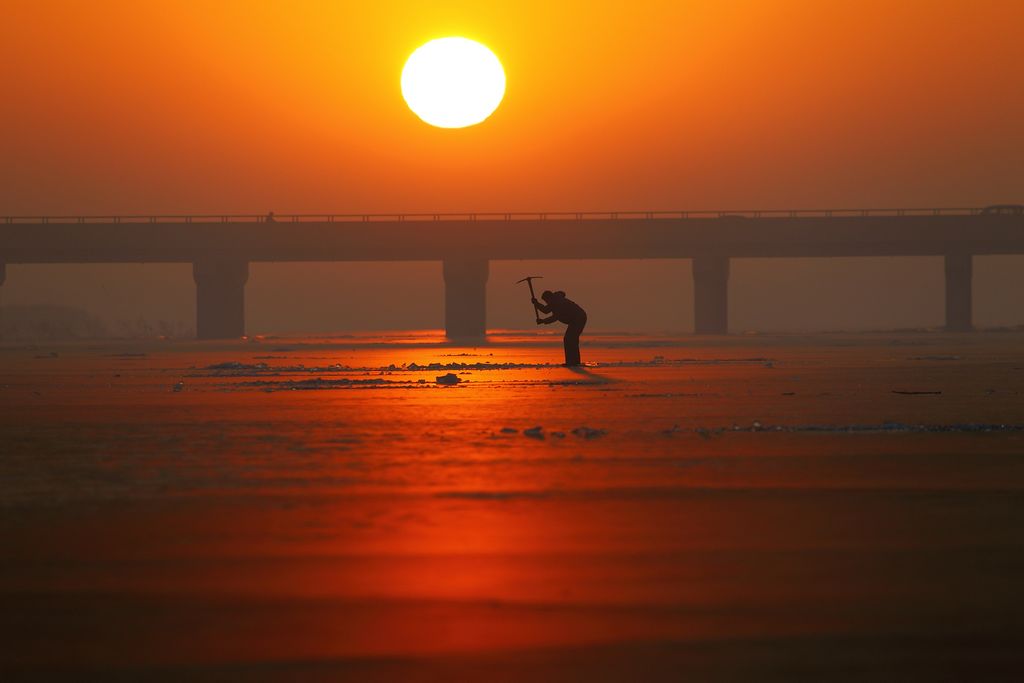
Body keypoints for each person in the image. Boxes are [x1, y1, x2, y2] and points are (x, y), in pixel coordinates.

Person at [532, 290, 588, 366]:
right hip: (575, 320)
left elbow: (555, 317)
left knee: (570, 339)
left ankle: (573, 362)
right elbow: (546, 310)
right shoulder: (555, 301)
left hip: (578, 319)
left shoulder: (558, 303)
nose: (547, 303)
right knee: (570, 339)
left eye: (546, 301)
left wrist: (543, 321)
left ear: (549, 298)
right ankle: (573, 362)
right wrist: (536, 304)